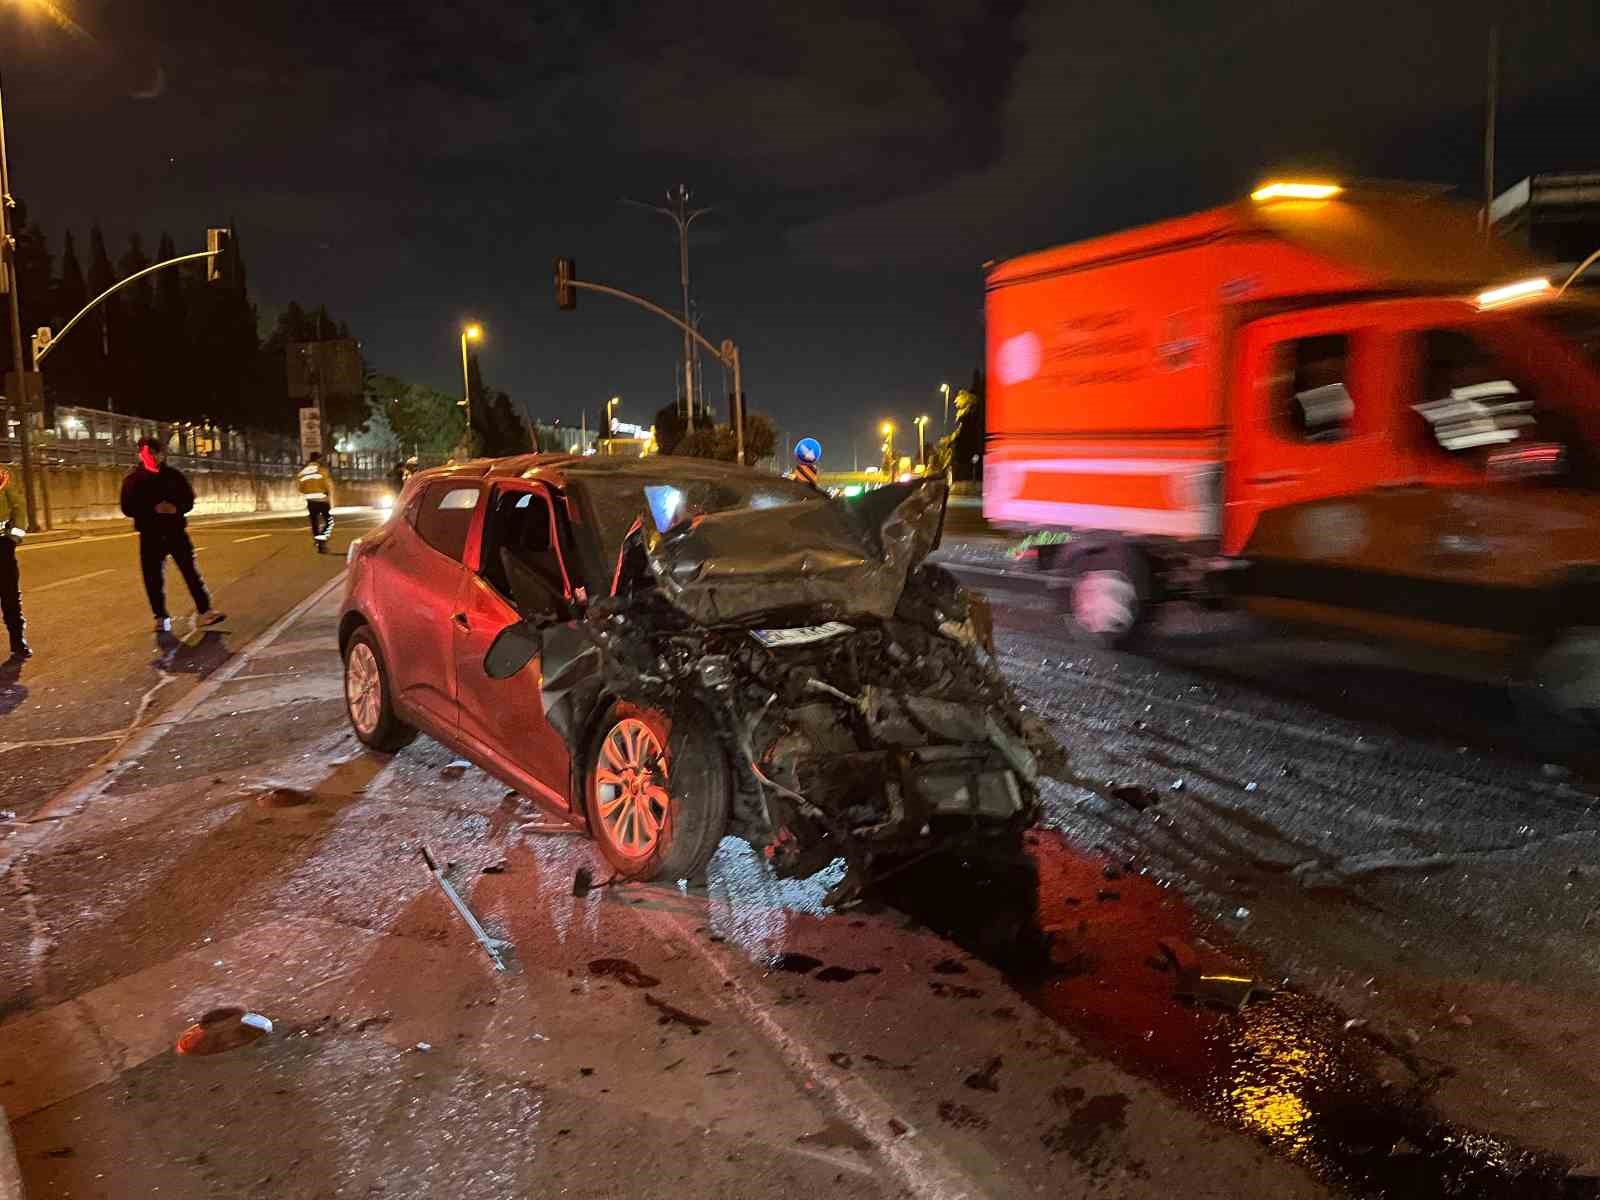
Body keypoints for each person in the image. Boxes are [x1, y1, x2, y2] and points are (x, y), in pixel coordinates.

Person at [120, 437, 224, 634]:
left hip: (175, 531)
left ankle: (205, 611)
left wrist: (175, 508)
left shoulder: (174, 476)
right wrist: (153, 509)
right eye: (145, 453)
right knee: (153, 578)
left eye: (153, 452)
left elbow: (189, 500)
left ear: (161, 454)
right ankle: (160, 617)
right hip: (150, 534)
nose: (149, 457)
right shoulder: (133, 479)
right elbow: (127, 507)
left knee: (191, 573)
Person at [0, 463, 30, 659]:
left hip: (1, 545)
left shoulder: (3, 473)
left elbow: (18, 507)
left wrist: (13, 539)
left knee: (9, 595)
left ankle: (17, 642)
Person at [297, 451, 335, 552]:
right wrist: (327, 495)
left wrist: (309, 491)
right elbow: (326, 485)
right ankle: (321, 539)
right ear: (318, 459)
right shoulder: (322, 471)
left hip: (310, 501)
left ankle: (318, 542)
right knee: (329, 522)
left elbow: (300, 489)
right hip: (322, 500)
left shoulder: (303, 472)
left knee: (314, 523)